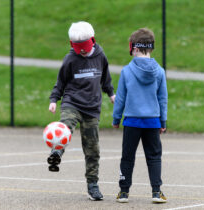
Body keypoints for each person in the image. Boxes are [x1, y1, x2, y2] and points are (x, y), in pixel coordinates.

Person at [48, 21, 115, 201]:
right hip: (72, 102)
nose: (82, 51)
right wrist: (54, 99)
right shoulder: (70, 59)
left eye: (84, 46)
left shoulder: (100, 56)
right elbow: (60, 82)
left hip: (92, 108)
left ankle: (92, 185)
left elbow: (106, 78)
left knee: (92, 149)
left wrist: (111, 93)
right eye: (78, 47)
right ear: (72, 44)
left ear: (92, 40)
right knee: (66, 127)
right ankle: (56, 153)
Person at [112, 28, 168, 203]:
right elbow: (162, 98)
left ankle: (123, 192)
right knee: (154, 156)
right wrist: (163, 120)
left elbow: (120, 98)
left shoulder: (127, 71)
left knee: (127, 156)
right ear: (150, 48)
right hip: (152, 121)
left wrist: (116, 118)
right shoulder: (159, 71)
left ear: (134, 48)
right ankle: (156, 192)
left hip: (132, 121)